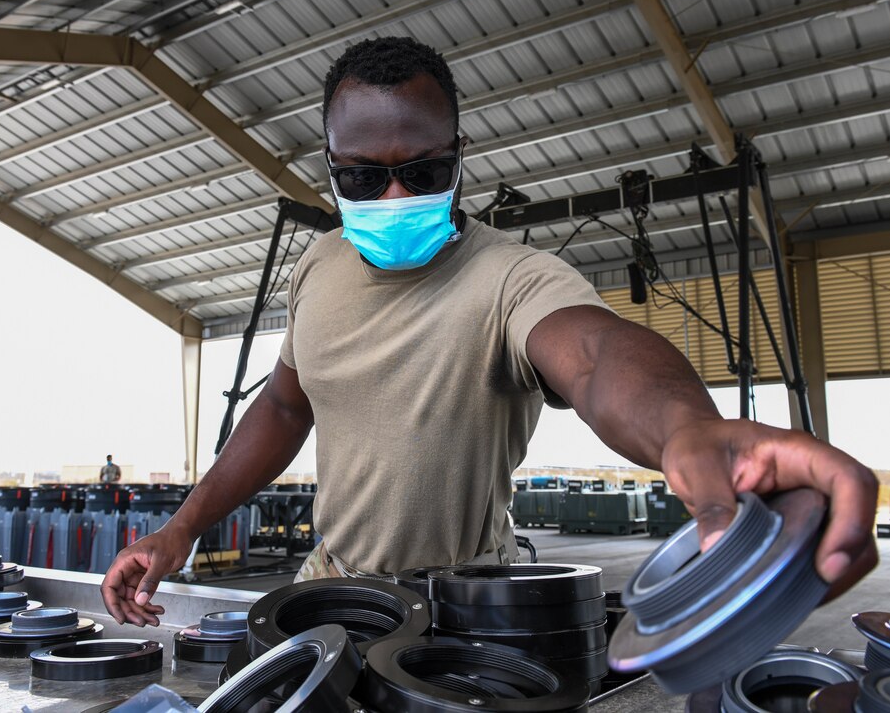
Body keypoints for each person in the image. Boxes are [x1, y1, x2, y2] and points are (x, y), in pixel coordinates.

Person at [101, 37, 878, 627]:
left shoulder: (509, 279)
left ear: (459, 158)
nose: (396, 193)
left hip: (463, 608)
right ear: (331, 168)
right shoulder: (317, 266)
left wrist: (686, 429)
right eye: (363, 178)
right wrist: (180, 529)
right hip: (328, 591)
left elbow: (596, 355)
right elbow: (282, 408)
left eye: (424, 171)